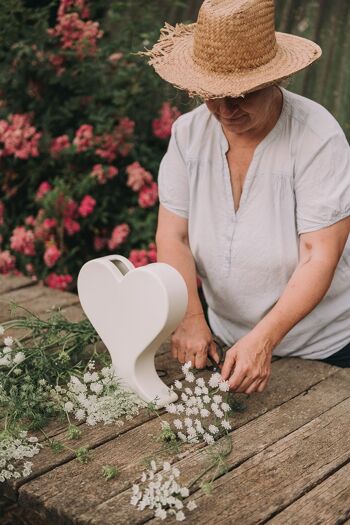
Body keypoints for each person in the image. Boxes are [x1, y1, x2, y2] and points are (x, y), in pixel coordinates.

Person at [140, 0, 350, 393]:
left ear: (275, 79)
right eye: (212, 93)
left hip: (327, 346)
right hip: (224, 339)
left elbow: (318, 254)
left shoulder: (317, 137)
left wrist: (265, 339)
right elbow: (173, 236)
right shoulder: (188, 134)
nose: (225, 109)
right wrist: (190, 316)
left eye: (241, 94)